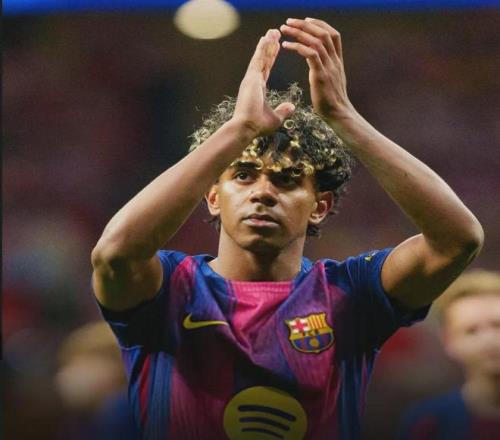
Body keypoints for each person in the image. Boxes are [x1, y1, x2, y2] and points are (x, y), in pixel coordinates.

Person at [91, 18, 483, 439]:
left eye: (287, 180)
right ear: (213, 197)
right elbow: (114, 254)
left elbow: (457, 240)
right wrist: (237, 130)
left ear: (320, 207)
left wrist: (345, 118)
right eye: (243, 175)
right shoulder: (171, 288)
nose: (263, 193)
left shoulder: (351, 293)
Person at [398, 270, 500, 440]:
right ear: (448, 341)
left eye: (497, 325)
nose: (489, 340)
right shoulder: (427, 424)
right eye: (471, 331)